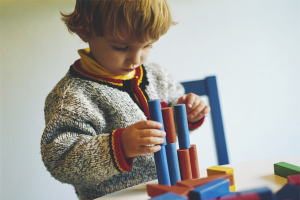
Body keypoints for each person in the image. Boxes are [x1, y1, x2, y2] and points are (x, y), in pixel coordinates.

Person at [41, 0, 210, 200]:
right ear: (85, 31)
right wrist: (120, 146)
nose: (136, 59)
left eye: (147, 45)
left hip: (175, 192)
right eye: (121, 47)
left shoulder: (158, 76)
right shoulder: (71, 96)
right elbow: (61, 161)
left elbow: (174, 125)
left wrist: (188, 114)